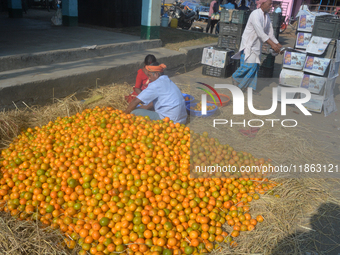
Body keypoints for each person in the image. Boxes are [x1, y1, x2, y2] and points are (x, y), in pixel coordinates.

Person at [232, 0, 282, 94]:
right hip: (249, 44)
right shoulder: (255, 14)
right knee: (249, 66)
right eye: (269, 4)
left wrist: (279, 45)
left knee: (255, 67)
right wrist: (273, 45)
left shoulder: (266, 16)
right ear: (262, 4)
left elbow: (270, 33)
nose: (271, 6)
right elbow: (260, 33)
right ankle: (236, 77)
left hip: (257, 45)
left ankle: (248, 88)